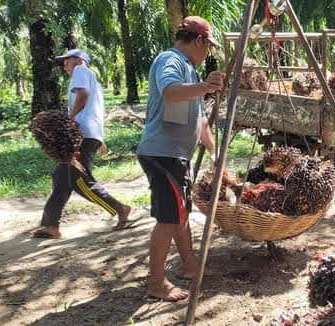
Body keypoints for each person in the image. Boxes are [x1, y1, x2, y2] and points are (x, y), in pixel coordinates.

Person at [136, 16, 221, 301]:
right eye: (207, 46)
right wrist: (206, 88)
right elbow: (170, 93)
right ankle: (157, 283)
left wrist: (214, 152)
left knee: (180, 214)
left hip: (174, 155)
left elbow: (199, 119)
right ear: (198, 40)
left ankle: (190, 266)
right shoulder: (170, 61)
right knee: (169, 220)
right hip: (162, 153)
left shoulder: (190, 72)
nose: (206, 53)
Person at [32, 49, 133, 239]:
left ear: (78, 60)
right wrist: (99, 139)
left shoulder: (81, 71)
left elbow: (83, 95)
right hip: (88, 134)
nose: (64, 66)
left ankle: (119, 208)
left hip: (82, 135)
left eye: (66, 61)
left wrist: (69, 120)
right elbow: (94, 110)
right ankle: (51, 225)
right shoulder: (93, 79)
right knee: (61, 177)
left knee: (78, 180)